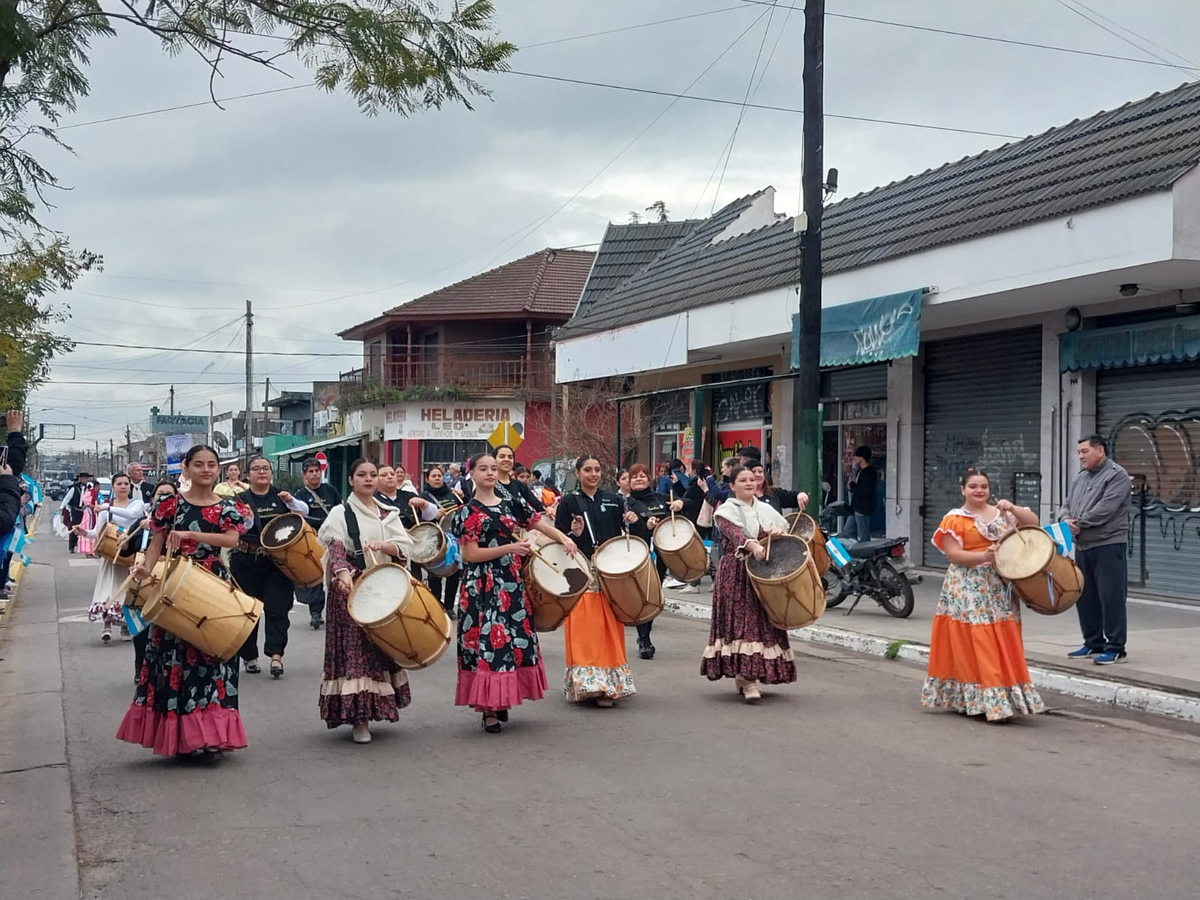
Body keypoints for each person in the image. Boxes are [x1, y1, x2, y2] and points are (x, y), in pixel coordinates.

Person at [118, 445, 251, 760]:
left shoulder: (229, 506)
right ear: (186, 468)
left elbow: (232, 539)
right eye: (199, 464)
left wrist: (194, 538)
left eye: (212, 465)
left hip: (212, 584)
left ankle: (211, 738)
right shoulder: (170, 504)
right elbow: (159, 540)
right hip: (175, 585)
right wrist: (145, 568)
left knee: (214, 656)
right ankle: (182, 737)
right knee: (174, 659)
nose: (206, 470)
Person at [448, 452, 576, 733]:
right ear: (472, 474)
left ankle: (501, 700)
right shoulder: (467, 512)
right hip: (481, 586)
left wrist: (564, 538)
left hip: (510, 582)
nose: (490, 473)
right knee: (488, 643)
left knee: (510, 643)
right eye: (483, 469)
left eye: (493, 468)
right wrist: (509, 548)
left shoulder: (511, 502)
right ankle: (489, 710)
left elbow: (538, 524)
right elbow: (471, 555)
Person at [922, 467, 1044, 722]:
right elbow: (953, 555)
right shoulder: (954, 519)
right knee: (975, 639)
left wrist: (1012, 508)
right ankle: (978, 699)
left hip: (1000, 585)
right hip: (966, 586)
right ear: (962, 490)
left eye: (984, 487)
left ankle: (1002, 697)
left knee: (1003, 637)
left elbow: (1032, 522)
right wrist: (983, 556)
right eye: (973, 486)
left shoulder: (1003, 513)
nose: (979, 491)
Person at [317, 458, 417, 744]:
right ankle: (358, 719)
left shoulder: (389, 513)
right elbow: (336, 550)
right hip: (349, 592)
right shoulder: (340, 513)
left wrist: (383, 545)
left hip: (383, 590)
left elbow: (403, 549)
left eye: (373, 474)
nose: (369, 479)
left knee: (379, 651)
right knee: (354, 655)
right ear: (351, 480)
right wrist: (342, 573)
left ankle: (374, 708)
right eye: (362, 475)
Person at [703, 464, 797, 701]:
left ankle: (749, 674)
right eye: (743, 480)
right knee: (742, 624)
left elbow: (783, 531)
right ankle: (748, 680)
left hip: (764, 573)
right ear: (732, 486)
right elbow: (737, 536)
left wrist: (776, 532)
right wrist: (754, 545)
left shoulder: (765, 509)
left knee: (763, 623)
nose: (749, 483)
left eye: (752, 479)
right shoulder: (725, 511)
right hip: (736, 574)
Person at [556, 454, 639, 706]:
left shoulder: (614, 500)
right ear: (578, 473)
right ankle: (589, 683)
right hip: (582, 569)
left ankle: (610, 682)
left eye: (597, 470)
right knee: (585, 625)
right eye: (587, 470)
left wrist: (633, 522)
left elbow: (629, 535)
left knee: (610, 624)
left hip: (611, 570)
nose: (593, 474)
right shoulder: (568, 502)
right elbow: (559, 537)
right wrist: (573, 534)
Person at [1058, 435, 1132, 666]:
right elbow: (1066, 505)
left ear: (1100, 450)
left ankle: (1115, 648)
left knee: (1111, 597)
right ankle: (1093, 642)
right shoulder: (1080, 477)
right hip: (1083, 546)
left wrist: (1077, 523)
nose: (1080, 456)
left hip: (1108, 544)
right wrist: (1065, 521)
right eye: (1078, 452)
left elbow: (1105, 510)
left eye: (1084, 451)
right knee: (1085, 596)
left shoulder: (1117, 476)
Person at [232, 458, 309, 678]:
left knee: (278, 608)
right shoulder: (239, 499)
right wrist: (246, 518)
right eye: (256, 469)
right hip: (246, 559)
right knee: (247, 610)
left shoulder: (281, 496)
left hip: (278, 561)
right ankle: (249, 657)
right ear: (248, 475)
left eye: (265, 468)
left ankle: (276, 656)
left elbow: (302, 512)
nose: (261, 472)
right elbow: (235, 528)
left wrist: (292, 500)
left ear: (271, 473)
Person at [625, 462, 693, 655]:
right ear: (629, 482)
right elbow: (626, 531)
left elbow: (689, 503)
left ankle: (645, 634)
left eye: (643, 476)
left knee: (654, 596)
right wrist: (644, 526)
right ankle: (644, 639)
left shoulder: (662, 498)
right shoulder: (627, 504)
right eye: (634, 476)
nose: (639, 479)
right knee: (644, 596)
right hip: (640, 556)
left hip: (664, 555)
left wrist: (681, 503)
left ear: (649, 479)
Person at [75, 474, 145, 643]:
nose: (123, 487)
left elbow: (131, 515)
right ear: (113, 487)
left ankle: (125, 625)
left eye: (126, 484)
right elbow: (98, 532)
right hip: (110, 554)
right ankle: (106, 625)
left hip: (129, 555)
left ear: (130, 487)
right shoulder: (105, 510)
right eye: (119, 484)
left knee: (127, 590)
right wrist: (85, 533)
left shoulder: (136, 504)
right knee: (108, 588)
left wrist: (106, 508)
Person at [130, 480, 177, 680]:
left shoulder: (180, 520)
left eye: (169, 494)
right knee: (142, 631)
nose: (164, 497)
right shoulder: (144, 521)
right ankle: (141, 669)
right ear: (153, 498)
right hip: (146, 583)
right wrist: (138, 531)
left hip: (173, 581)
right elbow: (126, 549)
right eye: (160, 494)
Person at [294, 457, 342, 630]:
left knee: (335, 573)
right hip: (311, 539)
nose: (315, 474)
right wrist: (320, 522)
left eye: (317, 471)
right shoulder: (300, 495)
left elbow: (339, 510)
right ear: (304, 475)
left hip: (331, 537)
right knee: (315, 574)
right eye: (311, 472)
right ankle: (315, 611)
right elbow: (300, 517)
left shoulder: (331, 490)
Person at [420, 465, 464, 617]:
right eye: (433, 476)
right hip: (434, 540)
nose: (437, 479)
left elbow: (464, 510)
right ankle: (437, 605)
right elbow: (419, 521)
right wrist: (434, 516)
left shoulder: (453, 494)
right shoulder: (423, 497)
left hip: (454, 538)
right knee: (435, 574)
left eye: (439, 476)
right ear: (427, 479)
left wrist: (463, 496)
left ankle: (450, 606)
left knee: (453, 571)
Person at [841, 446, 877, 543]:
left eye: (857, 455)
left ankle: (865, 553)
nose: (854, 458)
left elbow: (864, 490)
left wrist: (852, 486)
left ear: (862, 458)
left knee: (863, 534)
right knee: (847, 532)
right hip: (855, 507)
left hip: (863, 508)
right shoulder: (860, 470)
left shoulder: (869, 473)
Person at [62, 472, 91, 553]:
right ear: (80, 479)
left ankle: (83, 545)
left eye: (87, 478)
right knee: (74, 528)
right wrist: (62, 507)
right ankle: (71, 547)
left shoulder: (88, 487)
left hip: (84, 511)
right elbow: (67, 498)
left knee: (84, 528)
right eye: (85, 478)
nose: (86, 480)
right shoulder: (74, 488)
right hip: (75, 510)